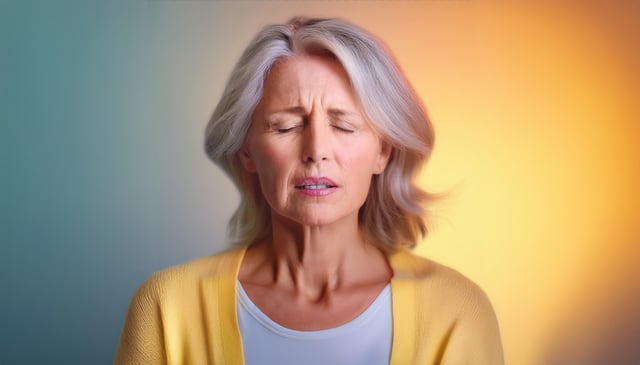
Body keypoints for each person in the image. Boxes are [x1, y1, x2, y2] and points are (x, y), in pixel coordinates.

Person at [115, 17, 504, 365]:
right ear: (247, 150)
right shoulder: (167, 306)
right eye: (285, 127)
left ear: (383, 151)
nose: (316, 151)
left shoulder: (456, 311)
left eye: (345, 126)